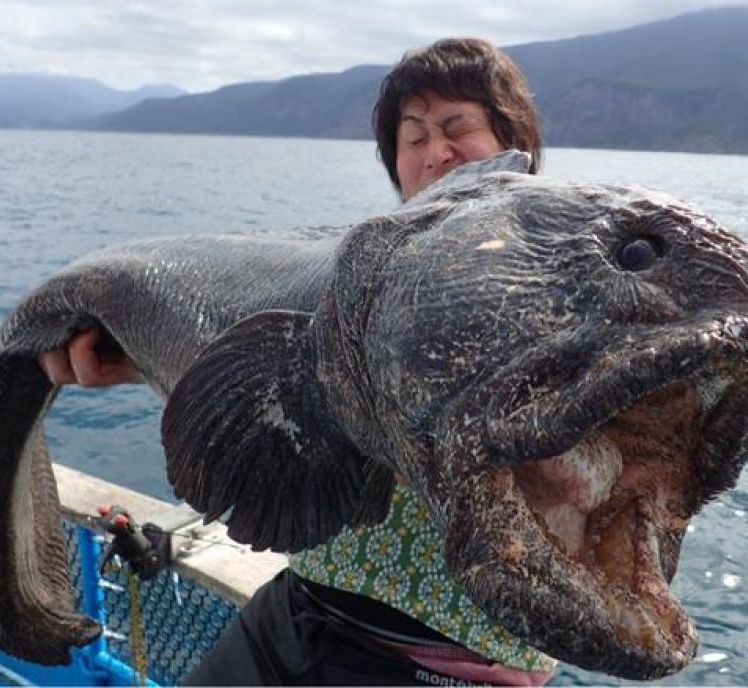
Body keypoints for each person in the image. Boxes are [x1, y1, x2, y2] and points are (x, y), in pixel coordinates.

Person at [44, 38, 554, 686]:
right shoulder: (361, 285)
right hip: (301, 606)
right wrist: (144, 357)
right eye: (414, 136)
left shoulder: (557, 289)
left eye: (457, 128)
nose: (435, 155)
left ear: (517, 142)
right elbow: (294, 394)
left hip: (442, 661)